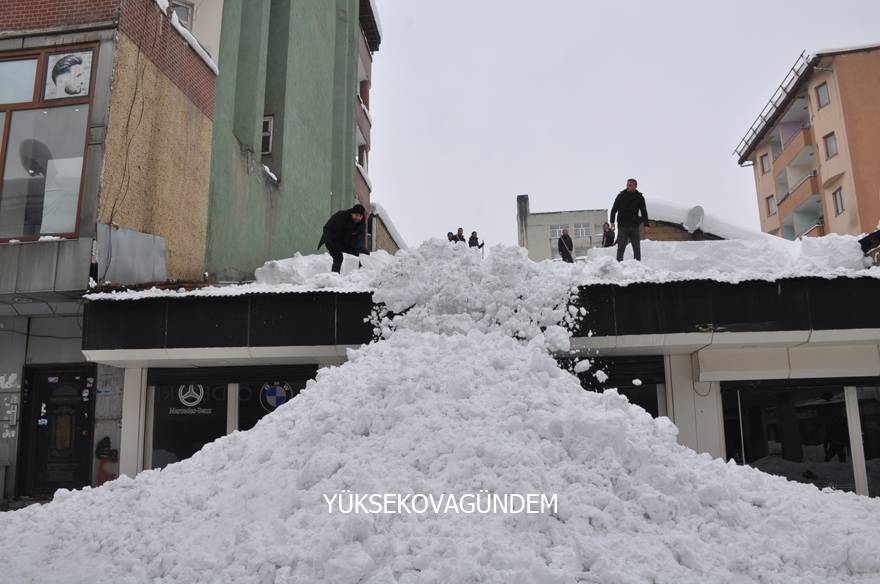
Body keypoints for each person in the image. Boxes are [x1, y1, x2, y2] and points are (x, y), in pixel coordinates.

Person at [318, 203, 367, 273]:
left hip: (345, 242)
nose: (358, 218)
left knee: (361, 255)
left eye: (360, 216)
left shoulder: (361, 224)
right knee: (338, 258)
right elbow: (327, 228)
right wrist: (328, 240)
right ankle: (334, 277)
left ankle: (362, 275)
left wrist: (361, 248)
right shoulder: (341, 215)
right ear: (352, 213)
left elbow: (360, 239)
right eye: (356, 215)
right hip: (332, 239)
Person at [609, 178, 649, 261]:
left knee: (637, 248)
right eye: (627, 185)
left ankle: (637, 265)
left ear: (635, 186)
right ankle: (619, 265)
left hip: (634, 226)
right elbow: (614, 209)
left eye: (630, 185)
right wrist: (612, 222)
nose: (628, 187)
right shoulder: (621, 196)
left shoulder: (639, 197)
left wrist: (646, 224)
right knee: (621, 247)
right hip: (623, 226)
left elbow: (644, 211)